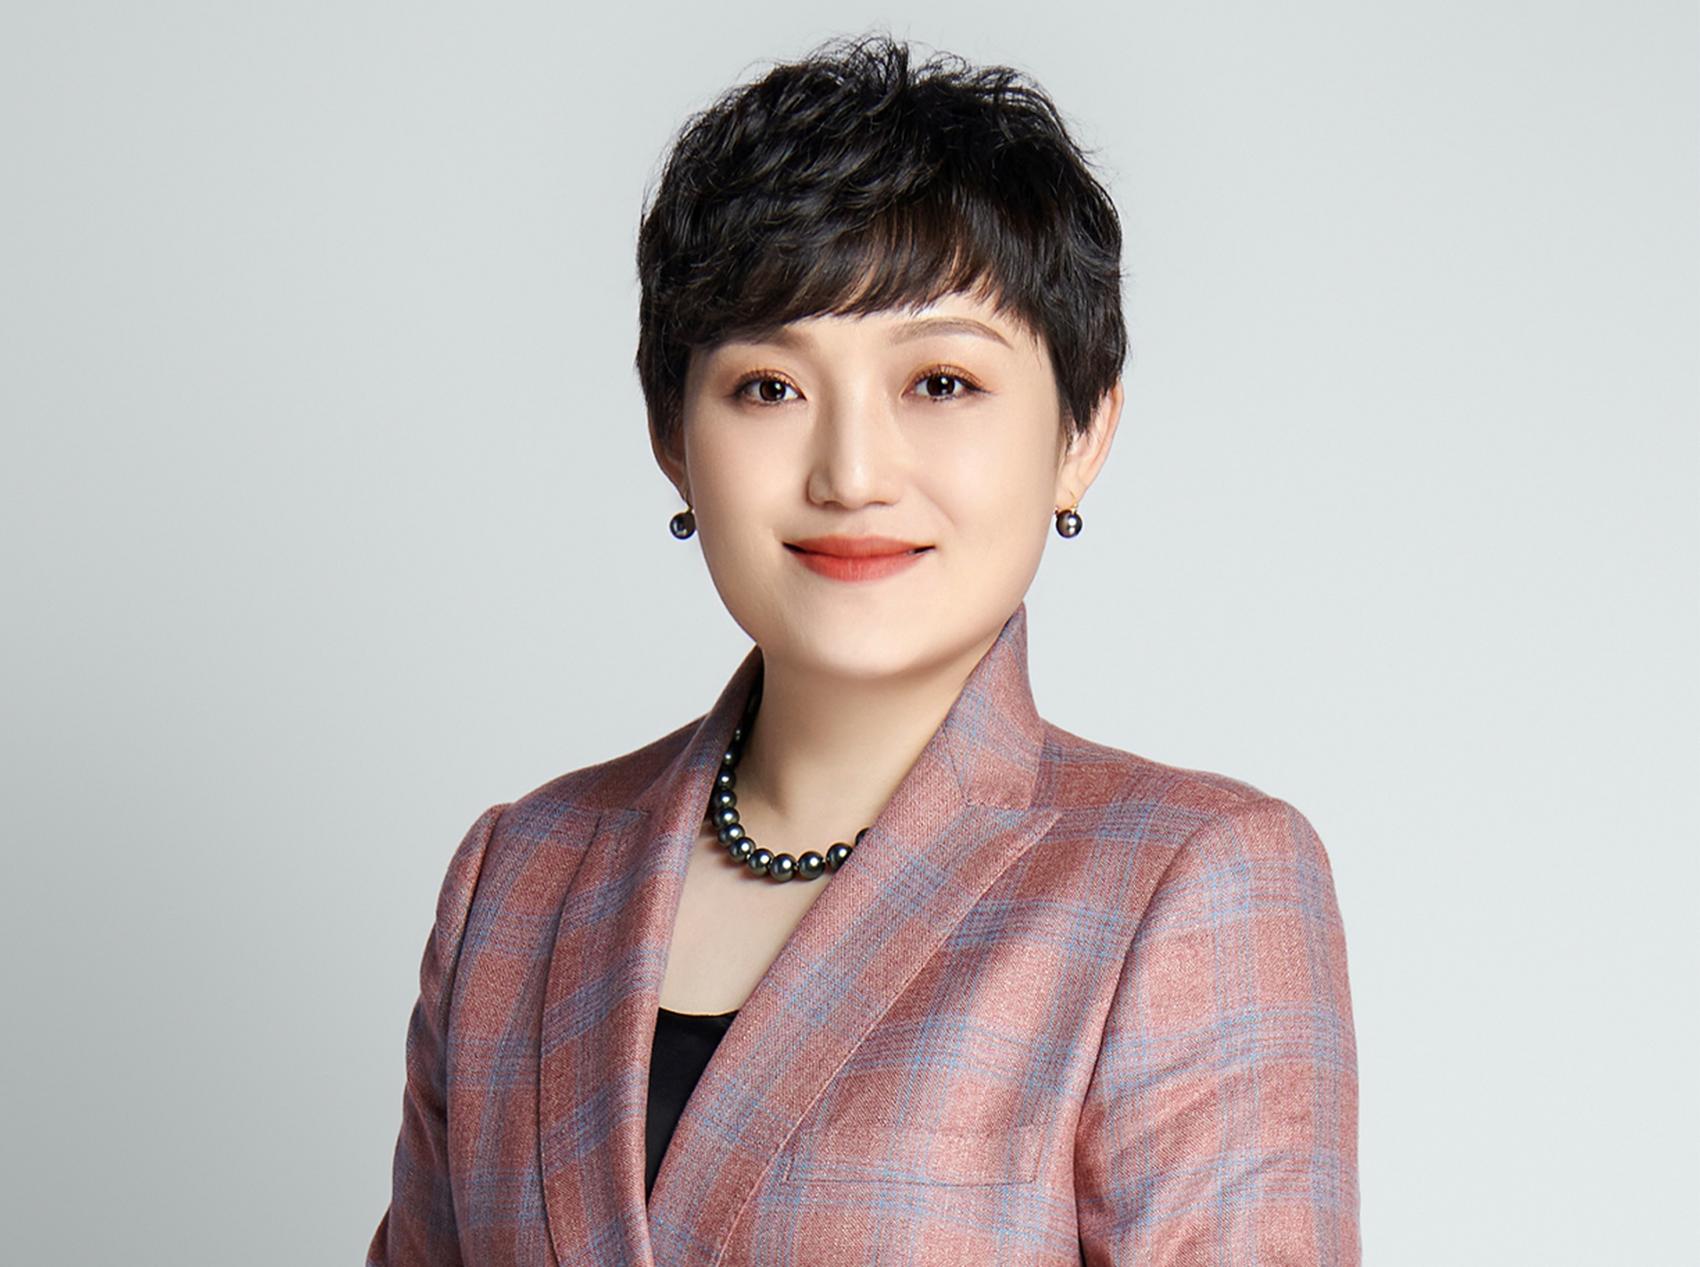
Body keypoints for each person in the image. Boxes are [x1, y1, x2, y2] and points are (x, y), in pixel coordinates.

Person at [368, 33, 1359, 1267]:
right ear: (672, 437)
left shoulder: (1188, 882)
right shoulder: (518, 879)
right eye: (768, 387)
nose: (849, 473)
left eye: (938, 383)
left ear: (1080, 434)